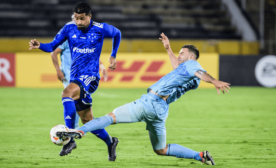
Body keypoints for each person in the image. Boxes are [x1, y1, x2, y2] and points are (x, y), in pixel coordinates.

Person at [60, 33, 231, 165]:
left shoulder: (193, 65)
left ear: (191, 57)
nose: (179, 55)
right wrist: (168, 49)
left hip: (149, 102)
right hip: (161, 111)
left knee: (110, 117)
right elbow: (182, 69)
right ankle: (200, 156)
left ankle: (80, 131)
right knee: (161, 149)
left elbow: (200, 72)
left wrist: (214, 81)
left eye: (182, 53)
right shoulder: (189, 76)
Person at [29, 2, 121, 160]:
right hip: (76, 77)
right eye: (77, 18)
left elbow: (117, 33)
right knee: (87, 120)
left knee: (66, 93)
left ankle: (70, 140)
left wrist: (113, 55)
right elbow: (52, 46)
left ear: (89, 17)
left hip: (91, 77)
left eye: (82, 19)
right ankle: (111, 142)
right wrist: (40, 45)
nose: (79, 22)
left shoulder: (100, 28)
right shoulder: (68, 28)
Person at [51, 14, 108, 129]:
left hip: (83, 75)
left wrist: (101, 65)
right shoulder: (67, 37)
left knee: (77, 101)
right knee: (72, 99)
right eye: (76, 20)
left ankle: (78, 127)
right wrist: (58, 70)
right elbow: (54, 52)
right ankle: (74, 128)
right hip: (69, 75)